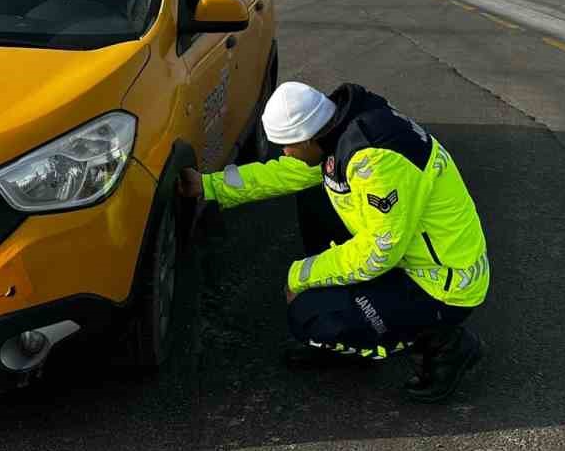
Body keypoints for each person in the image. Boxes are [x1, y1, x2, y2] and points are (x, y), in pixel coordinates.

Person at [180, 81, 488, 403]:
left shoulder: (376, 162)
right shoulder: (340, 130)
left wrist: (303, 274)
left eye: (289, 145)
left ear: (310, 136)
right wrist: (209, 186)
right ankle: (350, 333)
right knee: (314, 193)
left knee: (310, 315)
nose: (285, 152)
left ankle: (446, 345)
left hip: (443, 282)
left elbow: (377, 254)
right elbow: (286, 172)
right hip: (409, 255)